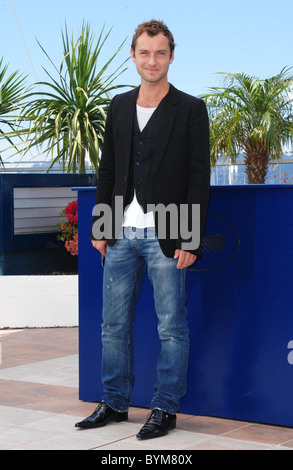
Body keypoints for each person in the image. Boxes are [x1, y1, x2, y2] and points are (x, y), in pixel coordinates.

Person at [75, 19, 210, 440]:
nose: (152, 60)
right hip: (118, 235)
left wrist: (190, 238)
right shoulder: (118, 106)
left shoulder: (190, 109)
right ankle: (114, 403)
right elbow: (108, 169)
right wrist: (100, 226)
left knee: (172, 326)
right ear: (133, 56)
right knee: (112, 326)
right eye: (145, 52)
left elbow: (197, 178)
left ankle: (165, 409)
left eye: (161, 53)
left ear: (171, 56)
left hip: (166, 234)